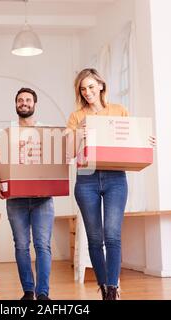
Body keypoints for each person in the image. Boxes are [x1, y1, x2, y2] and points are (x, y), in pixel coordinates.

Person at [66, 68, 155, 300]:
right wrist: (79, 134)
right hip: (86, 179)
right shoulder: (76, 117)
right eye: (83, 89)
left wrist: (146, 140)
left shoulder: (119, 111)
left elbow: (131, 140)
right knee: (94, 239)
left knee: (112, 236)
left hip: (115, 178)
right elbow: (67, 151)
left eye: (91, 87)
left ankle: (113, 288)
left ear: (101, 86)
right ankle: (104, 287)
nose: (87, 92)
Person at [0, 87, 54, 301]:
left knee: (42, 245)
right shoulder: (7, 134)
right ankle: (28, 291)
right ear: (16, 104)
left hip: (42, 199)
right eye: (20, 100)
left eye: (28, 99)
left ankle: (43, 293)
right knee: (21, 245)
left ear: (34, 104)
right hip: (16, 199)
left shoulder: (47, 132)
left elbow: (58, 163)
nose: (24, 103)